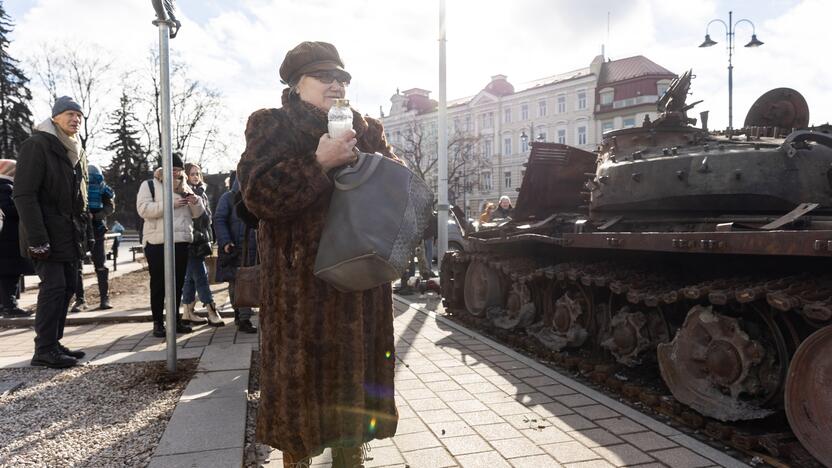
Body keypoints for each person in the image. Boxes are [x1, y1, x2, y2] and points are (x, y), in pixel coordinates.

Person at [236, 41, 399, 467]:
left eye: (342, 77)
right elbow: (258, 196)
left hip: (361, 283)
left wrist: (368, 165)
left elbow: (396, 191)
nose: (337, 84)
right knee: (300, 400)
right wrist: (318, 162)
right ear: (296, 85)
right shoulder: (272, 124)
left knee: (354, 397)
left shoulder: (367, 129)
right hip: (300, 290)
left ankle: (352, 458)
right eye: (324, 76)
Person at [13, 96, 88, 368]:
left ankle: (53, 342)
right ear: (55, 118)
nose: (75, 119)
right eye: (69, 114)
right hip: (44, 234)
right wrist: (38, 239)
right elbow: (23, 194)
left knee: (68, 286)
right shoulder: (37, 145)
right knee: (54, 287)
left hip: (67, 233)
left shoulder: (74, 149)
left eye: (79, 115)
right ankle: (43, 349)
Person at [136, 152, 204, 338]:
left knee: (177, 284)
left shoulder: (185, 186)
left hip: (181, 241)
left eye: (178, 169)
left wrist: (195, 202)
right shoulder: (149, 185)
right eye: (172, 169)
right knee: (159, 284)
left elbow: (198, 214)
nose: (175, 173)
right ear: (162, 169)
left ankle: (174, 320)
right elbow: (143, 210)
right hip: (157, 243)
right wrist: (169, 205)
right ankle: (158, 322)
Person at [180, 162, 224, 327]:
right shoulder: (185, 193)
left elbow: (207, 219)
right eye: (192, 174)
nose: (196, 177)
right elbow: (195, 218)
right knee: (201, 276)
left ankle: (187, 311)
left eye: (198, 174)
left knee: (191, 278)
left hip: (201, 240)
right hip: (191, 240)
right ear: (186, 176)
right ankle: (212, 310)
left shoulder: (201, 193)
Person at [214, 172, 257, 334]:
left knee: (247, 280)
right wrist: (226, 241)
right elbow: (219, 219)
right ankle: (241, 316)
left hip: (252, 247)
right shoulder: (228, 198)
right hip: (234, 247)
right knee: (236, 282)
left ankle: (242, 316)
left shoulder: (255, 196)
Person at [0, 159, 34, 318]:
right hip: (8, 240)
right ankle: (10, 307)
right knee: (10, 275)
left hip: (6, 239)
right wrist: (24, 207)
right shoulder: (5, 187)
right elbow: (9, 210)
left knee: (7, 274)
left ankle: (5, 305)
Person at [86, 164, 115, 310]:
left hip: (97, 229)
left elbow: (109, 208)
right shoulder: (78, 185)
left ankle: (105, 297)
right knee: (77, 264)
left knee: (100, 263)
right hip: (80, 228)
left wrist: (95, 216)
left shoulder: (104, 189)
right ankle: (80, 300)